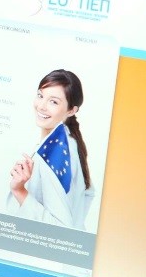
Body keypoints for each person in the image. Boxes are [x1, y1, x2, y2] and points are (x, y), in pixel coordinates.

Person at [7, 69, 94, 229]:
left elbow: (60, 228)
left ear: (71, 110)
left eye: (53, 102)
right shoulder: (71, 142)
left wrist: (20, 191)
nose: (41, 106)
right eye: (40, 96)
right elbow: (86, 195)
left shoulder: (54, 153)